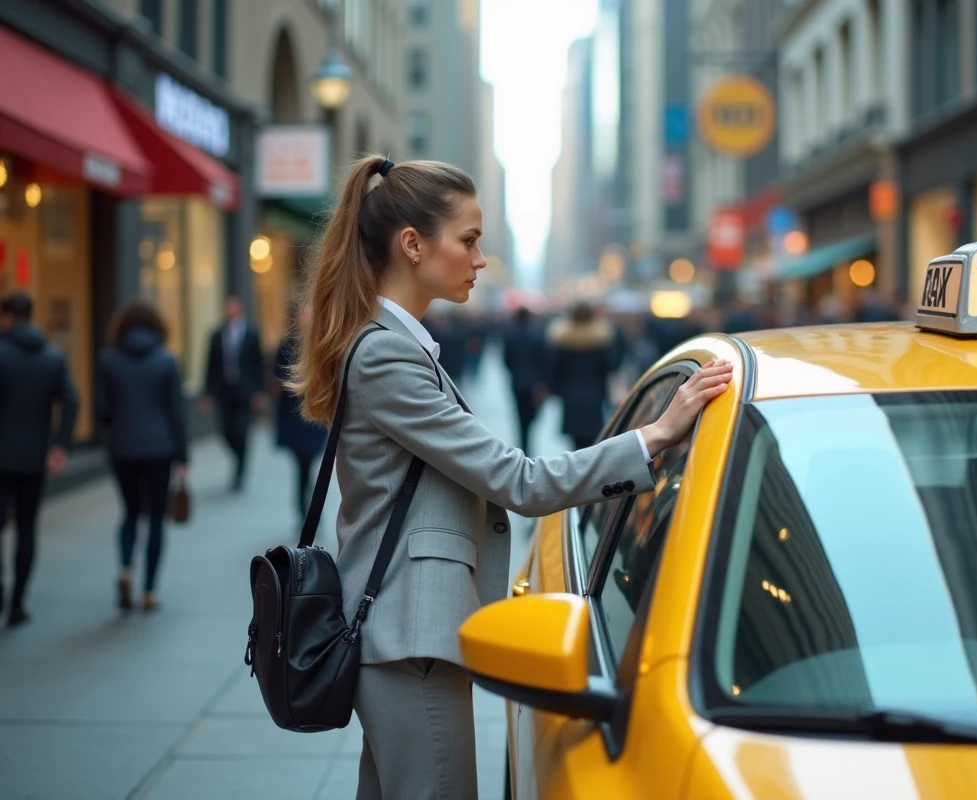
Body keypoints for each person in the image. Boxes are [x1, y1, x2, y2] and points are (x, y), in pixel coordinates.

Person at [285, 155, 731, 800]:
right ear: (413, 244)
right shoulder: (386, 354)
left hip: (404, 635)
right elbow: (517, 481)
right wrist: (657, 435)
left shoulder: (396, 345)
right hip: (408, 639)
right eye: (468, 240)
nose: (481, 258)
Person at [95, 301, 188, 613]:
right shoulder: (166, 360)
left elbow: (101, 412)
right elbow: (177, 413)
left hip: (122, 448)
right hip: (160, 448)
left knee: (131, 512)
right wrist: (183, 457)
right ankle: (149, 591)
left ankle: (125, 568)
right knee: (157, 519)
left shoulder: (108, 360)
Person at [0, 292, 78, 627]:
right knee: (27, 527)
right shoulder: (52, 356)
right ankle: (17, 602)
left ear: (6, 317)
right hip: (35, 456)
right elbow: (71, 401)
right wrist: (59, 446)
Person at [202, 296, 266, 491]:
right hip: (224, 391)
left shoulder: (251, 334)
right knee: (225, 431)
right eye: (227, 307)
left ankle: (240, 470)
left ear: (240, 309)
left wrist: (259, 392)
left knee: (241, 431)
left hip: (245, 391)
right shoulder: (216, 334)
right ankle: (239, 457)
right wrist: (207, 393)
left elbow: (258, 364)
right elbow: (210, 365)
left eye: (233, 307)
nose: (229, 310)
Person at [272, 303, 327, 519]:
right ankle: (305, 511)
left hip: (315, 412)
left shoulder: (322, 343)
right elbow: (278, 375)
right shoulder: (286, 345)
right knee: (302, 465)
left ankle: (308, 510)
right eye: (304, 315)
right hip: (293, 412)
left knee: (308, 463)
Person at [547, 302, 622, 451]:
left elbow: (554, 369)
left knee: (575, 441)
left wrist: (556, 390)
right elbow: (611, 365)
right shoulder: (600, 338)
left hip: (570, 394)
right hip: (594, 394)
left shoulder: (563, 338)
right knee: (592, 438)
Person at [501, 306, 548, 453]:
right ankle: (527, 443)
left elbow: (506, 360)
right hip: (534, 384)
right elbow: (544, 360)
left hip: (517, 382)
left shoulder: (510, 334)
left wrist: (515, 372)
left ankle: (523, 444)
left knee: (519, 416)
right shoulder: (538, 334)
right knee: (532, 414)